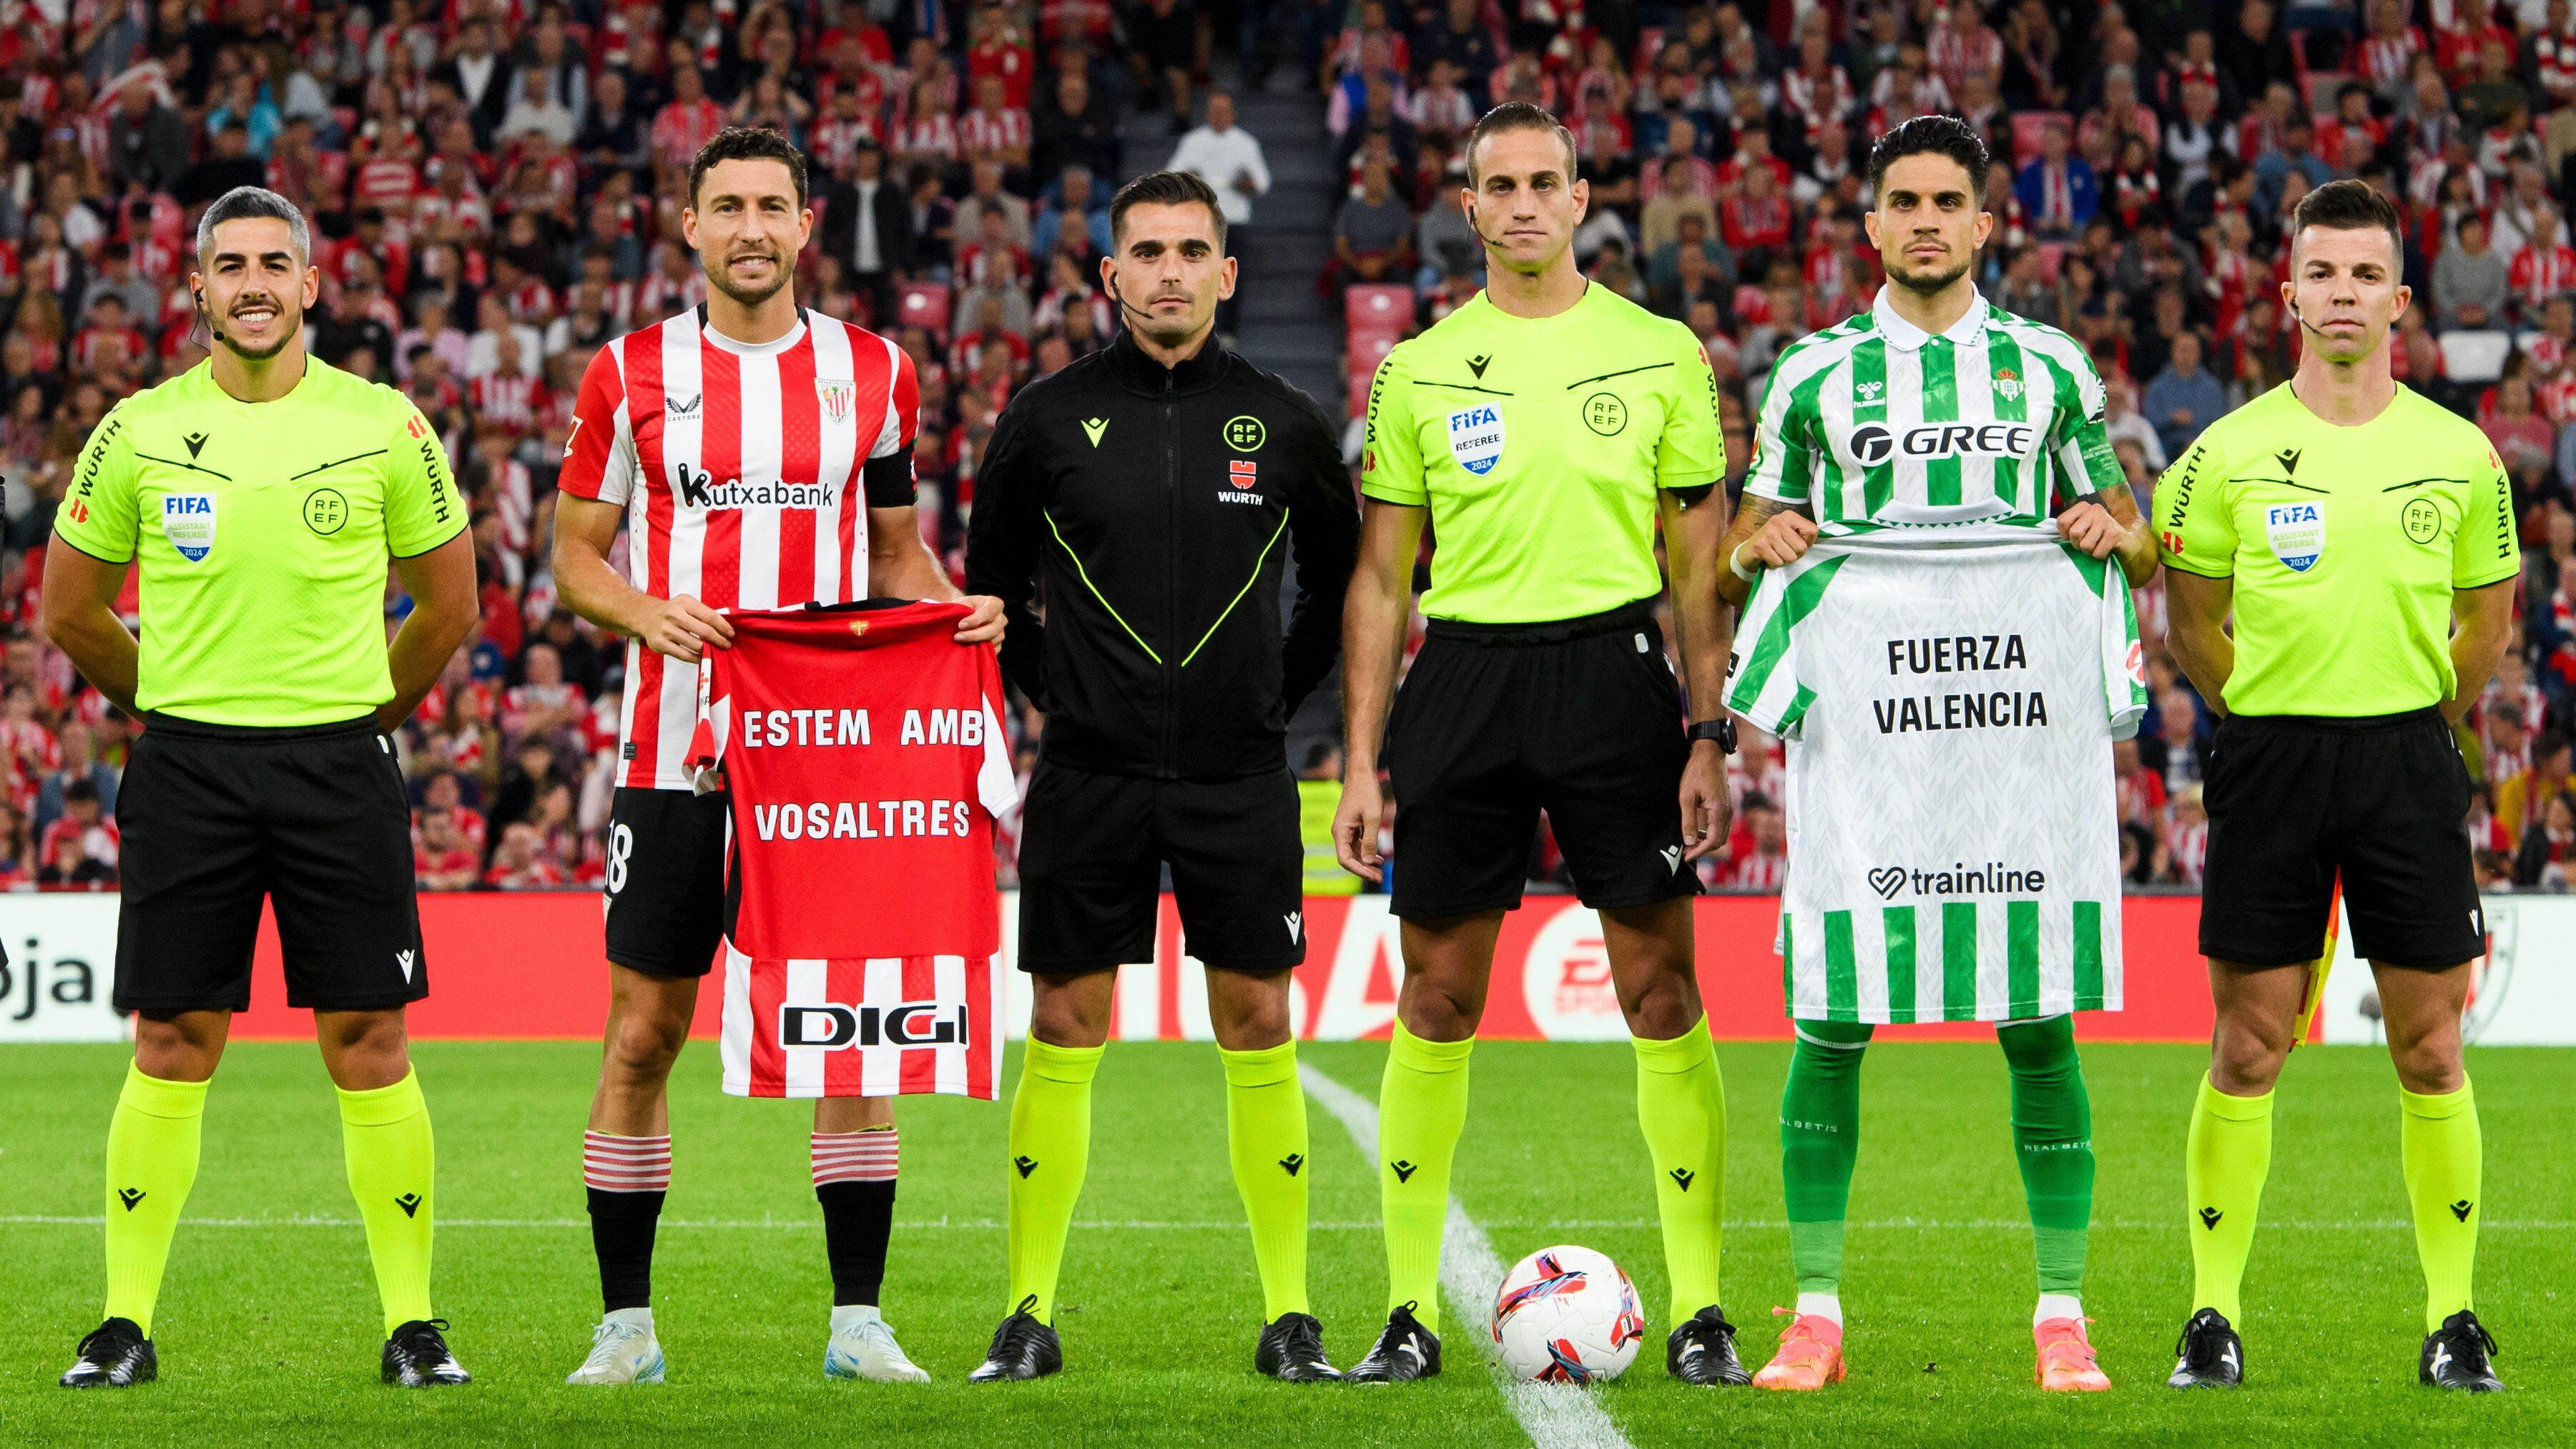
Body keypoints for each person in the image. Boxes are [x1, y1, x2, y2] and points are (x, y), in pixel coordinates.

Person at [549, 128, 1003, 1387]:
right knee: (642, 1031)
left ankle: (858, 1320)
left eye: (772, 207)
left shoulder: (874, 371)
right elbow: (574, 554)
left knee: (853, 1037)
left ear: (807, 225)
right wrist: (646, 612)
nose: (750, 227)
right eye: (725, 206)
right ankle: (625, 1326)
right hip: (672, 750)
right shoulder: (627, 370)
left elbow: (896, 552)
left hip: (829, 764)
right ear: (687, 225)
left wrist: (954, 606)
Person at [1714, 114, 2156, 1396]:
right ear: (1870, 225)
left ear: (1982, 221)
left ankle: (2060, 1313)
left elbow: (2131, 537)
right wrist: (1761, 545)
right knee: (1834, 1010)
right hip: (1870, 733)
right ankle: (1812, 1311)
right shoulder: (1810, 375)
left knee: (2035, 1008)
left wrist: (2103, 529)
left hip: (2016, 735)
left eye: (1945, 200)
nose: (1923, 220)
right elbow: (1748, 527)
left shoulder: (2050, 368)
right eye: (1900, 200)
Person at [43, 185, 479, 1387]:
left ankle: (412, 1324)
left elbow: (452, 607)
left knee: (369, 1039)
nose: (251, 282)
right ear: (196, 287)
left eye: (272, 263)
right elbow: (67, 608)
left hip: (339, 763)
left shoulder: (387, 424)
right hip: (188, 765)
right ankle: (124, 1322)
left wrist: (364, 714)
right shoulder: (135, 429)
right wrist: (170, 698)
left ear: (310, 284)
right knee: (173, 1038)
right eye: (228, 263)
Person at [1333, 102, 1741, 1385]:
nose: (1520, 203)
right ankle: (1407, 1308)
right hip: (1463, 684)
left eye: (1542, 182)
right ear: (1469, 208)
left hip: (1615, 678)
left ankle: (1702, 1308)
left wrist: (1707, 733)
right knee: (1438, 995)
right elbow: (1381, 582)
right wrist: (1357, 760)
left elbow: (1697, 569)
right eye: (1495, 185)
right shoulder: (1417, 366)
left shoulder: (1661, 352)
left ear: (1579, 200)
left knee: (1659, 992)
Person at [962, 169, 1358, 1383]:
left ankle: (1289, 1313)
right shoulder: (1042, 417)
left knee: (1258, 1021)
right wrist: (1066, 697)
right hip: (1089, 771)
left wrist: (1266, 707)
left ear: (1227, 273)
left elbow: (1336, 593)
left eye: (1194, 250)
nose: (1172, 270)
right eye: (1149, 251)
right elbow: (990, 595)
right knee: (1066, 1023)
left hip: (1241, 776)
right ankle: (1028, 1310)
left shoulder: (1285, 421)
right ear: (1111, 276)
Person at [2155, 178, 2520, 1392]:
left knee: (2430, 1048)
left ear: (2400, 301)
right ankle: (2211, 1317)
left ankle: (2453, 1318)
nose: (2342, 294)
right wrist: (2255, 708)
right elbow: (2190, 619)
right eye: (2322, 274)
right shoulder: (2224, 453)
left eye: (2365, 275)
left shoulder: (2459, 452)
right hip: (2272, 759)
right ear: (2288, 292)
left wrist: (2416, 716)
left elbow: (2485, 624)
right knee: (2249, 1043)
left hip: (2406, 761)